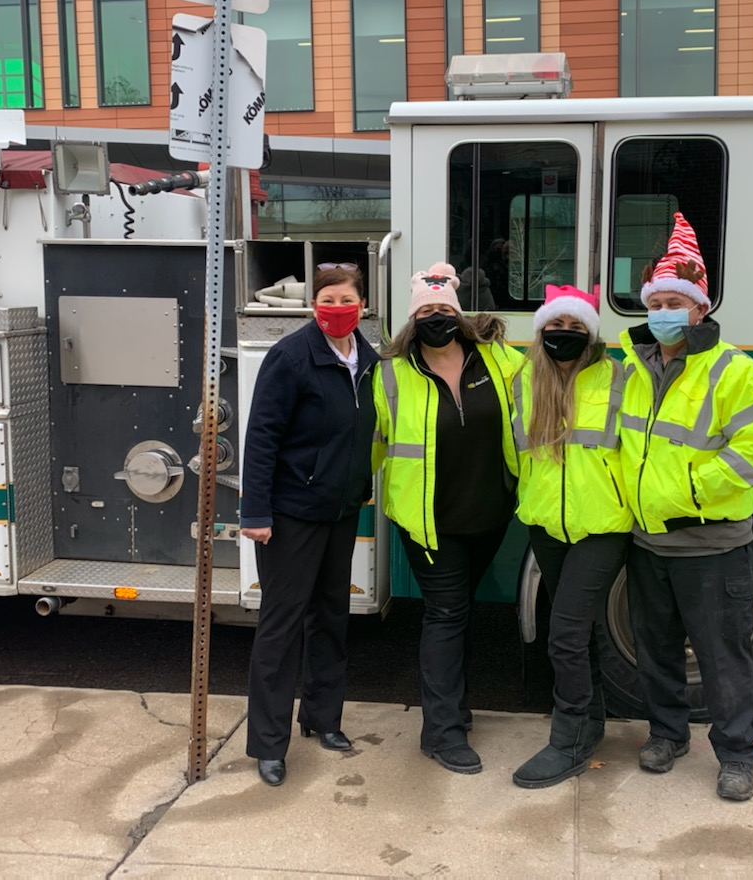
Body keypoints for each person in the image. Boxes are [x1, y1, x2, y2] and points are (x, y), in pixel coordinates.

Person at [618, 213, 753, 803]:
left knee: (723, 657)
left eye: (675, 301)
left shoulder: (736, 370)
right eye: (655, 300)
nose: (662, 311)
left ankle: (737, 753)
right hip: (647, 542)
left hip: (710, 544)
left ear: (700, 308)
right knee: (655, 649)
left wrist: (683, 492)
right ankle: (667, 735)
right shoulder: (633, 368)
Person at [372, 262, 520, 775]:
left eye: (444, 310)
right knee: (446, 614)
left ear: (459, 315)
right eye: (426, 311)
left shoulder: (499, 360)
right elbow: (373, 443)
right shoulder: (391, 372)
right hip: (429, 523)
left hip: (490, 515)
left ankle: (453, 707)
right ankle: (441, 732)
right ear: (413, 320)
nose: (436, 318)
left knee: (460, 612)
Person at [240, 265, 380, 787]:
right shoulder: (291, 357)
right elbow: (262, 438)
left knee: (331, 617)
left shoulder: (368, 360)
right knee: (281, 628)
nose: (337, 307)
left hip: (341, 511)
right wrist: (255, 514)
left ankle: (322, 718)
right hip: (290, 515)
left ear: (362, 305)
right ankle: (268, 744)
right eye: (327, 298)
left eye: (346, 298)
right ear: (313, 305)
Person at [508, 284, 631, 789]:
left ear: (592, 336)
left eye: (576, 329)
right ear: (541, 333)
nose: (564, 336)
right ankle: (594, 720)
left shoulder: (620, 378)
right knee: (580, 632)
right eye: (555, 328)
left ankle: (570, 741)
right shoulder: (525, 379)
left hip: (602, 527)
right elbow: (517, 453)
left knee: (564, 634)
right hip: (546, 524)